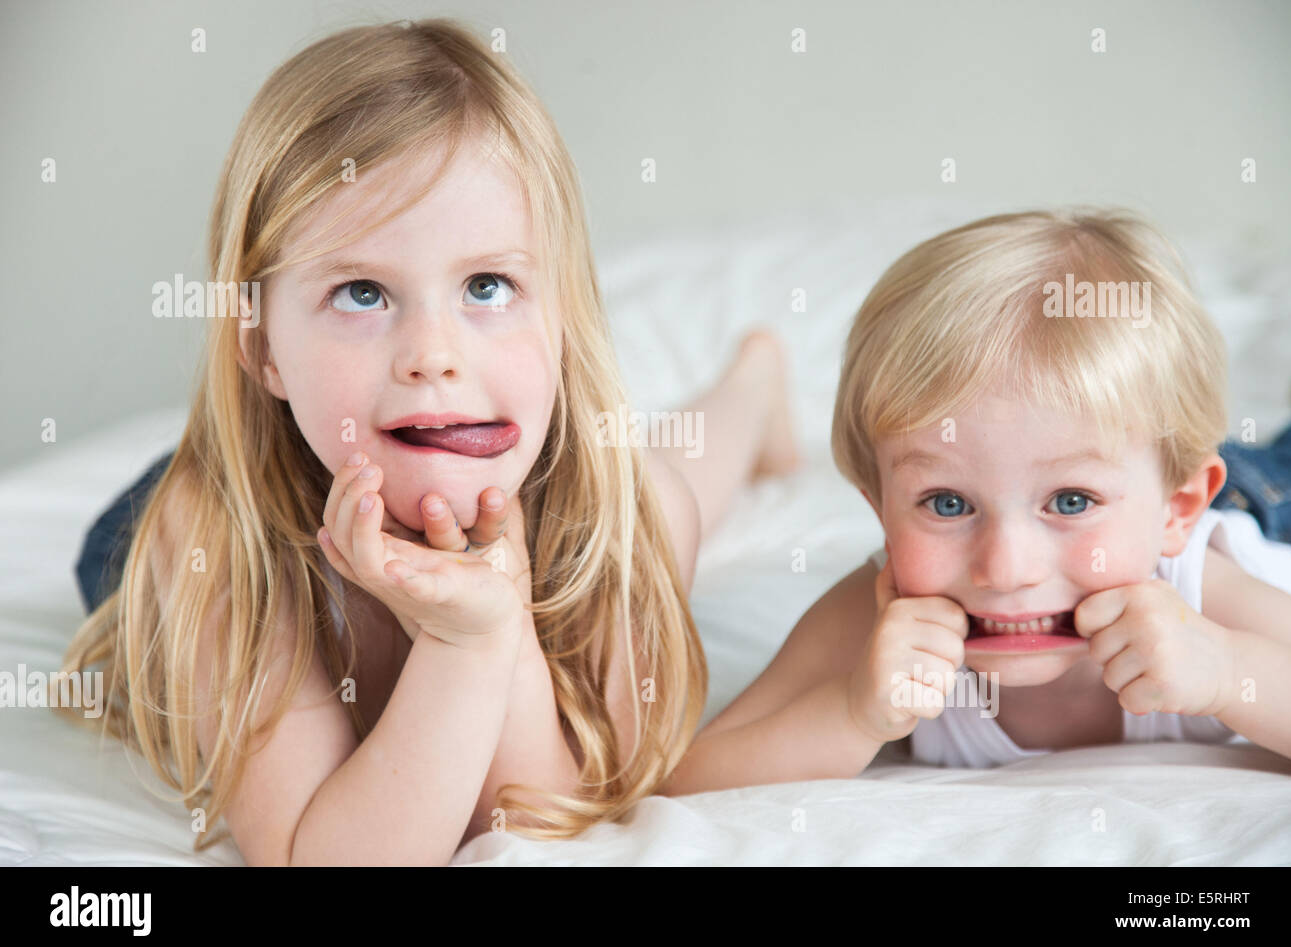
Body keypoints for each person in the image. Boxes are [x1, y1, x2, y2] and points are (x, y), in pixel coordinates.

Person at [61, 18, 797, 865]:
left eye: (488, 285)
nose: (435, 357)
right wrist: (462, 645)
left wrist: (488, 626)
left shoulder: (620, 511)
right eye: (363, 293)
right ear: (262, 346)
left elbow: (550, 813)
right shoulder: (216, 535)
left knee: (673, 486)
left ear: (562, 315)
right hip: (222, 500)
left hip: (564, 479)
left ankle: (753, 382)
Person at [662, 209, 1291, 794]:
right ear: (881, 510)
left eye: (1072, 501)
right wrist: (854, 712)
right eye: (946, 503)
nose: (1006, 568)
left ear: (1177, 509)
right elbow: (693, 775)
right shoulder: (881, 615)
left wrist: (1224, 669)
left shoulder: (1205, 592)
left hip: (1268, 502)